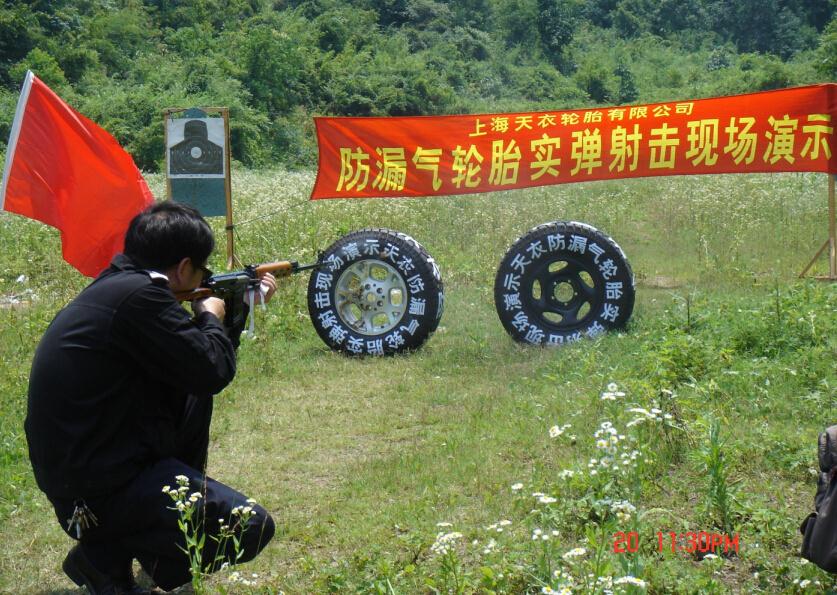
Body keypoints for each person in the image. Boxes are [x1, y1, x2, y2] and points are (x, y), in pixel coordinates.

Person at [24, 202, 277, 594]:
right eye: (202, 271)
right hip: (95, 494)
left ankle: (112, 558)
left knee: (192, 394)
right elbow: (211, 368)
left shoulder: (120, 287)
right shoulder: (142, 298)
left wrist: (236, 307)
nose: (202, 279)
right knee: (252, 526)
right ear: (183, 267)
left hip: (86, 474)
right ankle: (104, 556)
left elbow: (197, 368)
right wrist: (212, 314)